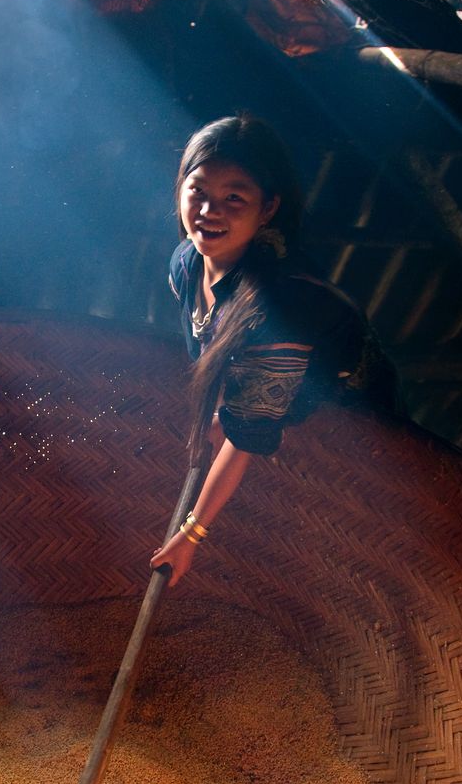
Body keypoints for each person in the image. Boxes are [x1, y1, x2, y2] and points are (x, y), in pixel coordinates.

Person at [150, 113, 401, 585]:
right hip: (275, 396)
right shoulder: (186, 264)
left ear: (267, 209)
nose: (209, 210)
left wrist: (191, 534)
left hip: (349, 412)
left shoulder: (283, 304)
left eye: (234, 198)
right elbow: (218, 354)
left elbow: (248, 435)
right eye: (198, 191)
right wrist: (222, 411)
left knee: (341, 522)